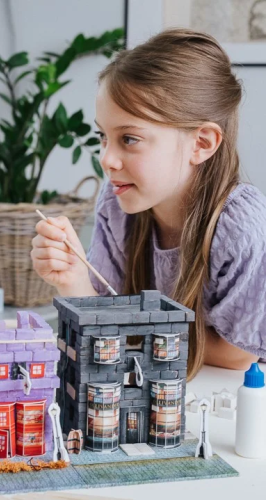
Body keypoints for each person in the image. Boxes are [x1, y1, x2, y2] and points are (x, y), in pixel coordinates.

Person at [31, 29, 266, 379]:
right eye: (103, 136)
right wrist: (72, 278)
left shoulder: (241, 224)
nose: (106, 159)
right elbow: (103, 316)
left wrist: (133, 328)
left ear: (201, 143)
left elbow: (237, 354)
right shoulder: (116, 202)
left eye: (129, 138)